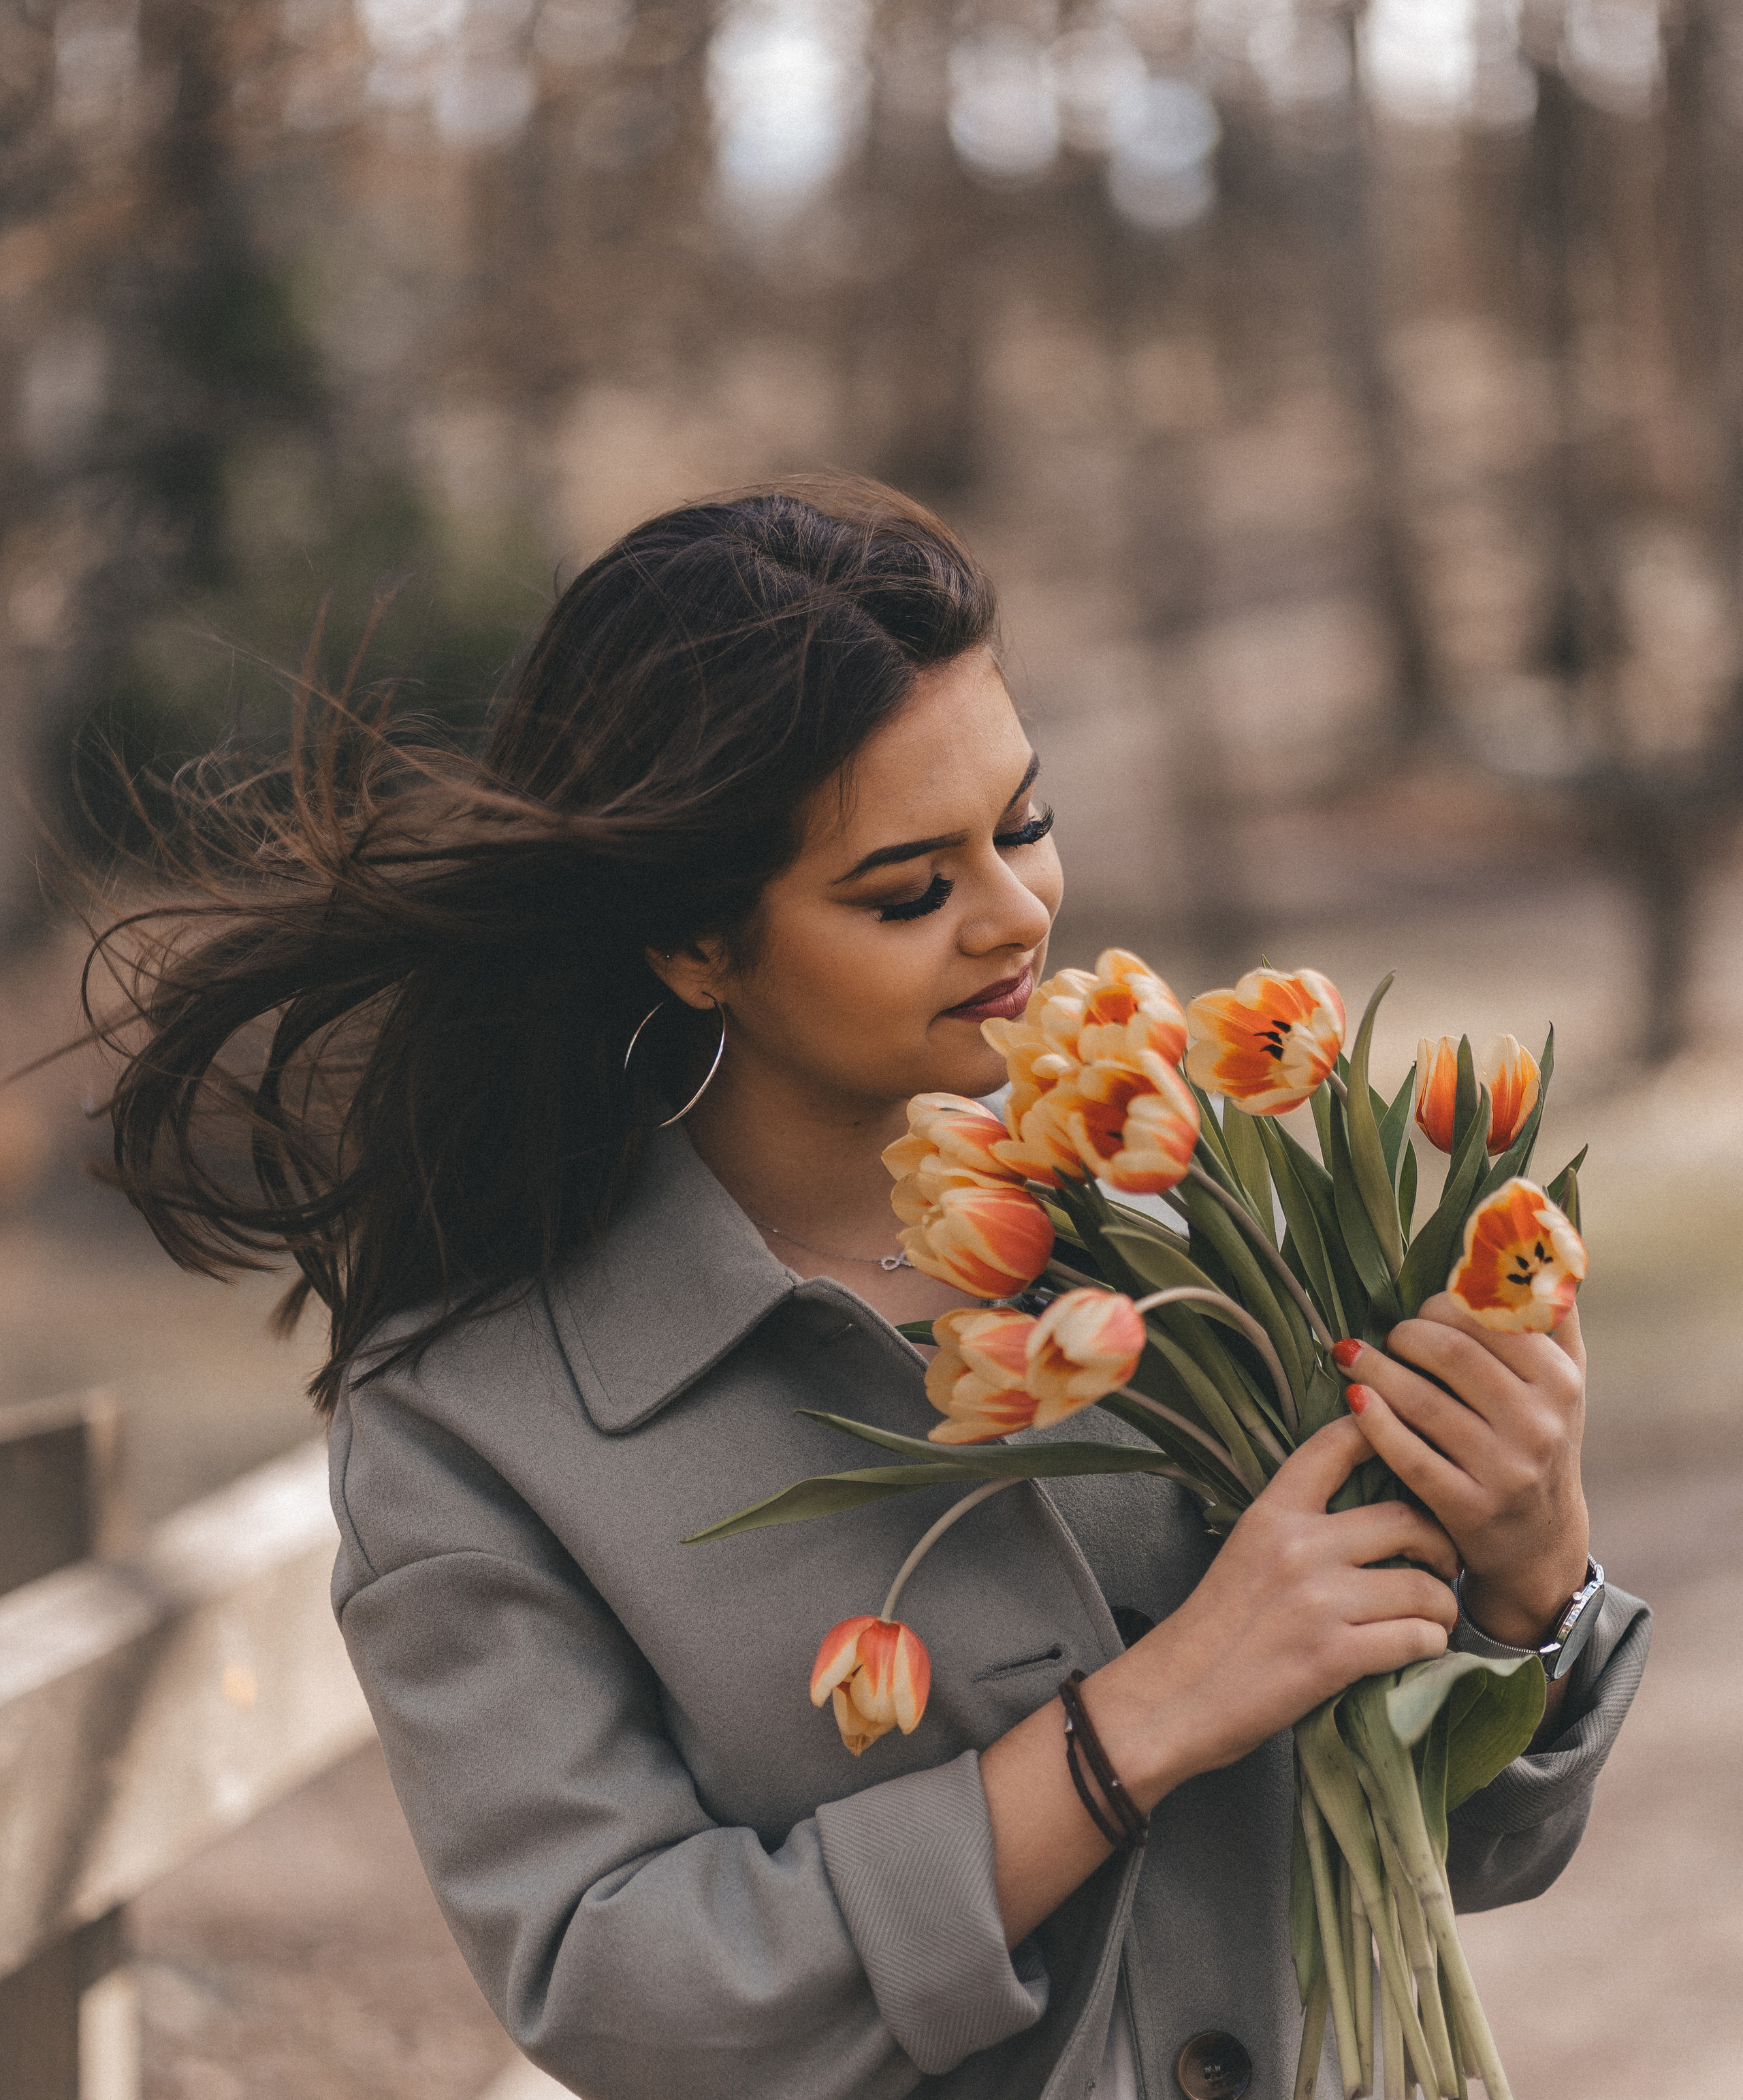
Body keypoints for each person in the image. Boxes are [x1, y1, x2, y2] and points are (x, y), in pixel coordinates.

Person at [95, 478, 1648, 2100]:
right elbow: (624, 1995)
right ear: (694, 946)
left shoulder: (1194, 1212)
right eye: (907, 889)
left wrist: (1537, 1572)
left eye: (1023, 824)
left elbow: (1462, 1848)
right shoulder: (482, 1423)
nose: (1015, 914)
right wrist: (1132, 1729)